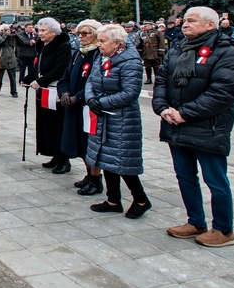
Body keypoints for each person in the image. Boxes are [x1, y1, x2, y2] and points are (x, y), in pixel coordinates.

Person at [152, 7, 234, 247]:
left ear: (210, 25)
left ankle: (224, 230)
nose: (184, 24)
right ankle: (195, 221)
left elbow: (222, 93)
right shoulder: (178, 48)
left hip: (208, 127)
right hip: (176, 124)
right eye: (185, 20)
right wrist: (163, 109)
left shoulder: (227, 53)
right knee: (185, 176)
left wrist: (184, 113)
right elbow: (162, 79)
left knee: (215, 180)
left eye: (192, 21)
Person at [85, 24, 151, 219]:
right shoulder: (101, 56)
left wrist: (101, 102)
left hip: (122, 119)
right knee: (105, 158)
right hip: (103, 115)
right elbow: (90, 81)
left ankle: (141, 199)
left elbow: (130, 93)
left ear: (117, 43)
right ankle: (113, 200)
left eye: (103, 41)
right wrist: (91, 99)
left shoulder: (130, 61)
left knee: (123, 162)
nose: (99, 44)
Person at [57, 19, 102, 194]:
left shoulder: (98, 54)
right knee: (78, 143)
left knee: (89, 144)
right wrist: (65, 93)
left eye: (85, 33)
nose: (81, 37)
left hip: (87, 106)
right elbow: (65, 77)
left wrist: (78, 97)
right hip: (73, 105)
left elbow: (95, 83)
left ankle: (96, 179)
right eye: (79, 34)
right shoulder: (78, 53)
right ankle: (89, 174)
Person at [21, 17, 72, 173]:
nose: (39, 33)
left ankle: (64, 159)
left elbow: (60, 68)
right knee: (47, 125)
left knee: (58, 125)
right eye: (39, 30)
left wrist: (41, 80)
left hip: (55, 90)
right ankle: (54, 154)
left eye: (43, 31)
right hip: (44, 91)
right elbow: (39, 66)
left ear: (53, 32)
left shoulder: (62, 46)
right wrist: (28, 78)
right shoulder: (43, 45)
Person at [0, 23, 18, 97]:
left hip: (11, 59)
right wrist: (6, 36)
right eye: (6, 30)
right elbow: (0, 43)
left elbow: (20, 42)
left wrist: (16, 35)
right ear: (2, 30)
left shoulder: (11, 37)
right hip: (2, 60)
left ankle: (14, 92)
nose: (8, 31)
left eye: (9, 30)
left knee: (12, 78)